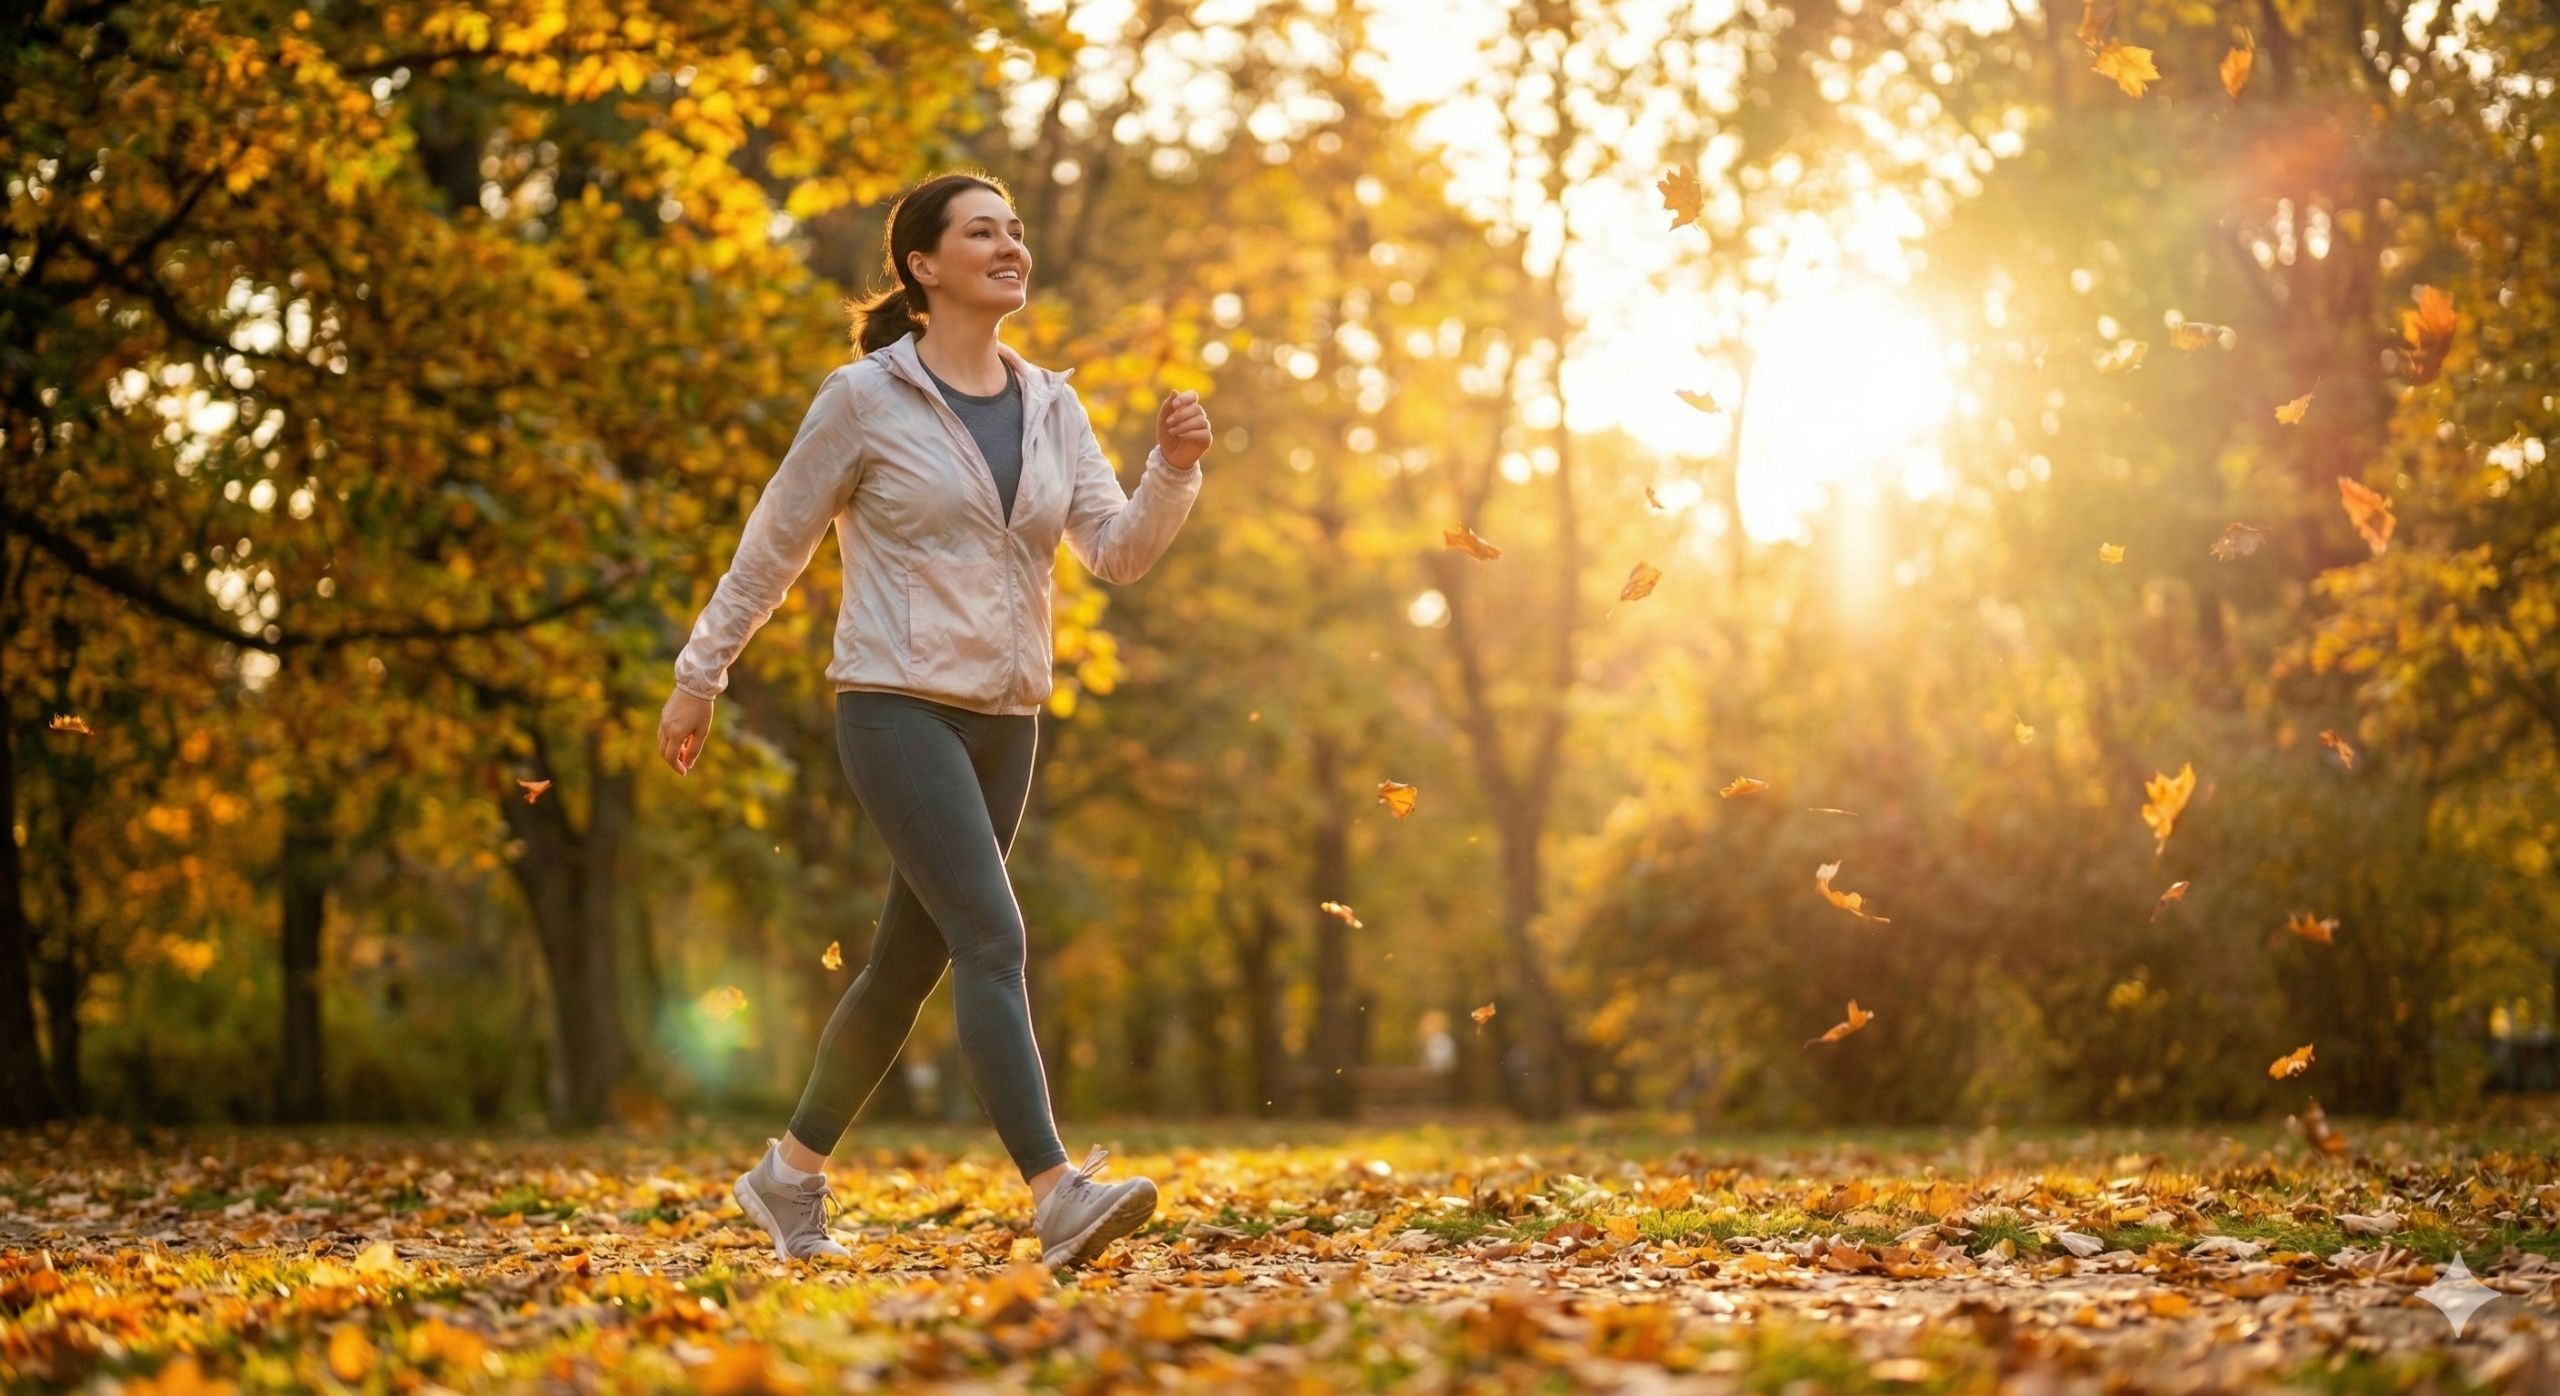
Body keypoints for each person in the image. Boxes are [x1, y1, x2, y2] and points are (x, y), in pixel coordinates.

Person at [654, 171, 1212, 1268]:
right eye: (981, 232)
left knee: (905, 967)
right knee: (992, 937)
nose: (1010, 246)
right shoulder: (863, 399)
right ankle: (1056, 1193)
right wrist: (699, 673)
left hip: (1008, 720)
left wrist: (1174, 471)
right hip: (896, 708)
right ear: (923, 266)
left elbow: (1116, 553)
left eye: (1015, 231)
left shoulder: (1050, 404)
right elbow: (774, 545)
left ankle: (787, 1179)